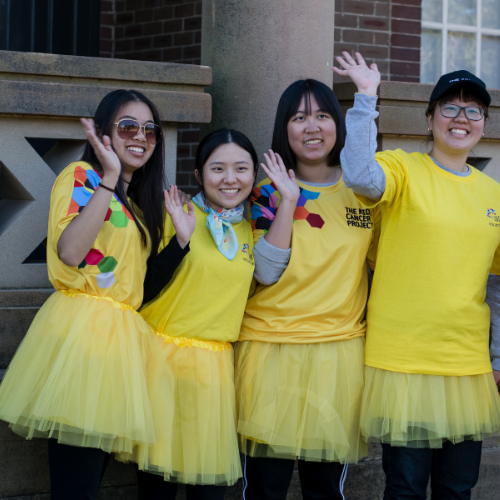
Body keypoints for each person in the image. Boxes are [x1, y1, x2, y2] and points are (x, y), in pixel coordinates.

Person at [0, 89, 195, 500]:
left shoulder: (141, 204)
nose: (140, 136)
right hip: (83, 342)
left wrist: (180, 241)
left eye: (150, 130)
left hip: (119, 349)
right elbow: (70, 252)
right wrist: (107, 177)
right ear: (105, 131)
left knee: (87, 482)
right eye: (127, 126)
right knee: (76, 487)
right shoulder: (81, 176)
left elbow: (137, 290)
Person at [333, 52, 500, 499]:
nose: (461, 118)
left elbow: (498, 286)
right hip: (403, 363)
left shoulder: (494, 195)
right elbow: (361, 175)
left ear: (484, 122)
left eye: (473, 110)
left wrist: (498, 356)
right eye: (450, 107)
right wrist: (366, 97)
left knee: (457, 488)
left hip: (466, 366)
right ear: (430, 119)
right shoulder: (404, 168)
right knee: (405, 488)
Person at [235, 79, 380, 500]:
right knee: (264, 487)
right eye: (299, 117)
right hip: (268, 351)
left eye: (321, 115)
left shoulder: (366, 193)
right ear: (285, 128)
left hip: (337, 354)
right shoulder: (262, 190)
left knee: (325, 490)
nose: (311, 127)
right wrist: (286, 199)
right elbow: (263, 272)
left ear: (338, 122)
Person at [119, 129, 258, 500]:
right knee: (156, 490)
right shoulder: (173, 213)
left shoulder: (249, 228)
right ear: (198, 175)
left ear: (254, 174)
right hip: (161, 364)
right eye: (218, 169)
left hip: (214, 372)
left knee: (208, 492)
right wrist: (180, 240)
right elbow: (141, 290)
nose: (230, 179)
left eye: (241, 168)